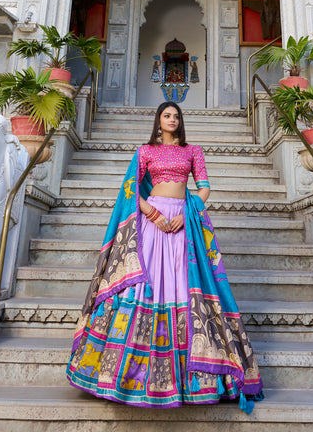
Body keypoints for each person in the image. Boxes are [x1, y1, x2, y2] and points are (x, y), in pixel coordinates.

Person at [67, 101, 263, 412]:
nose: (172, 119)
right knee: (147, 286)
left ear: (180, 121)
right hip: (153, 221)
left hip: (184, 223)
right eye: (166, 115)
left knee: (183, 285)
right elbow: (131, 189)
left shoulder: (193, 151)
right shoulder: (145, 151)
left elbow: (204, 188)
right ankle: (122, 376)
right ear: (158, 121)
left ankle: (192, 379)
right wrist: (152, 213)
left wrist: (187, 214)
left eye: (175, 116)